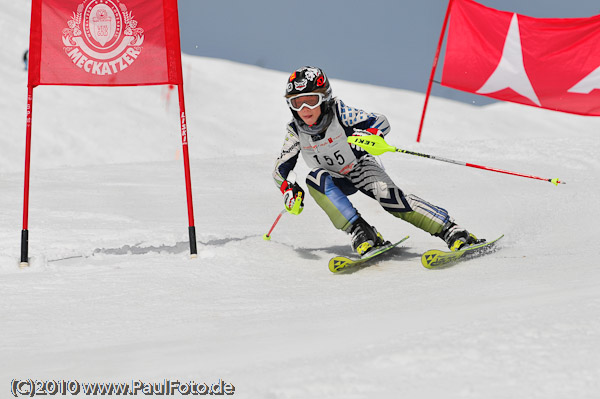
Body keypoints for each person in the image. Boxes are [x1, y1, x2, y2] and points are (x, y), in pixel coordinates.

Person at [272, 66, 483, 257]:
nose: (304, 109)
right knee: (315, 179)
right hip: (334, 180)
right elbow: (280, 169)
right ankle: (361, 232)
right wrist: (288, 188)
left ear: (325, 98)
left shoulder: (339, 112)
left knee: (392, 201)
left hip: (360, 167)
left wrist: (370, 136)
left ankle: (451, 230)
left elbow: (380, 121)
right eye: (296, 102)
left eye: (311, 100)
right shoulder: (295, 131)